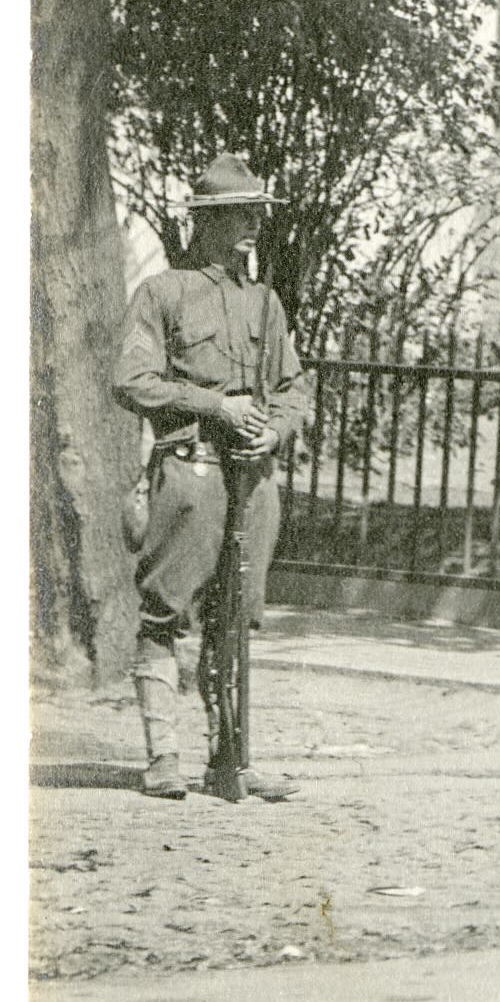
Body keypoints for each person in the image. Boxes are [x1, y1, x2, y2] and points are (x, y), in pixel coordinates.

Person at [116, 153, 314, 802]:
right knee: (165, 611)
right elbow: (133, 379)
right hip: (191, 470)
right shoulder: (162, 293)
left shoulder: (266, 304)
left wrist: (276, 426)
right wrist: (215, 406)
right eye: (237, 214)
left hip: (252, 479)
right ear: (203, 223)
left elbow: (292, 387)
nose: (252, 225)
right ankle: (163, 756)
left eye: (256, 212)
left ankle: (232, 755)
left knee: (234, 619)